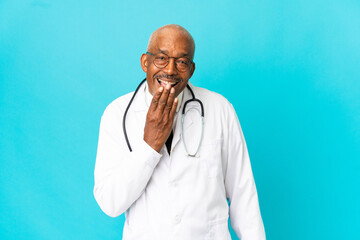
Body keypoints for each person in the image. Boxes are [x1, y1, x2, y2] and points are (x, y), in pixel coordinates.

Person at [93, 24, 266, 240]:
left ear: (191, 70)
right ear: (145, 62)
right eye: (161, 58)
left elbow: (244, 196)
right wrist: (149, 146)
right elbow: (110, 203)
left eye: (182, 62)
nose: (170, 70)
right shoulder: (117, 114)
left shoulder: (220, 108)